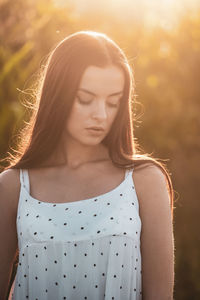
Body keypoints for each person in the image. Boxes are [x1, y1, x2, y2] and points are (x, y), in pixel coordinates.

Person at [0, 30, 174, 300]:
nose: (101, 115)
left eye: (113, 102)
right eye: (85, 99)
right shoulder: (13, 186)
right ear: (58, 94)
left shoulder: (143, 181)